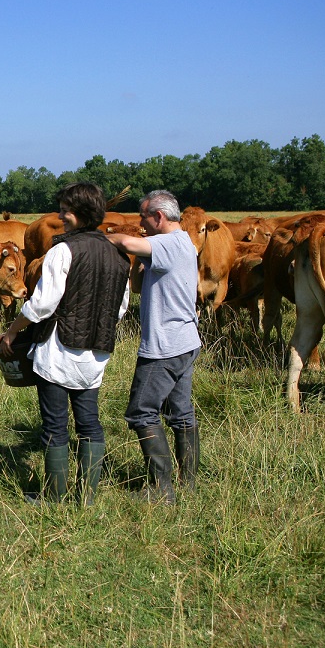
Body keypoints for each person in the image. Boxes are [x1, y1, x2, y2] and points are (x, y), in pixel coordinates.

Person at [0, 182, 131, 506]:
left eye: (65, 209)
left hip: (58, 350)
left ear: (78, 213)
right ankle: (87, 499)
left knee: (55, 424)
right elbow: (120, 309)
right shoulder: (118, 254)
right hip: (97, 352)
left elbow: (41, 305)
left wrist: (12, 332)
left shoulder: (62, 251)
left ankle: (54, 498)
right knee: (90, 423)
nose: (60, 215)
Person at [106, 189, 201, 504]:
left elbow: (127, 242)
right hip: (185, 341)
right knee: (180, 413)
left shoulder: (169, 244)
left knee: (141, 412)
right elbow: (135, 286)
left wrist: (94, 238)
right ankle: (187, 484)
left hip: (164, 348)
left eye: (143, 217)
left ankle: (161, 491)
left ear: (159, 216)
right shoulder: (182, 242)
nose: (140, 224)